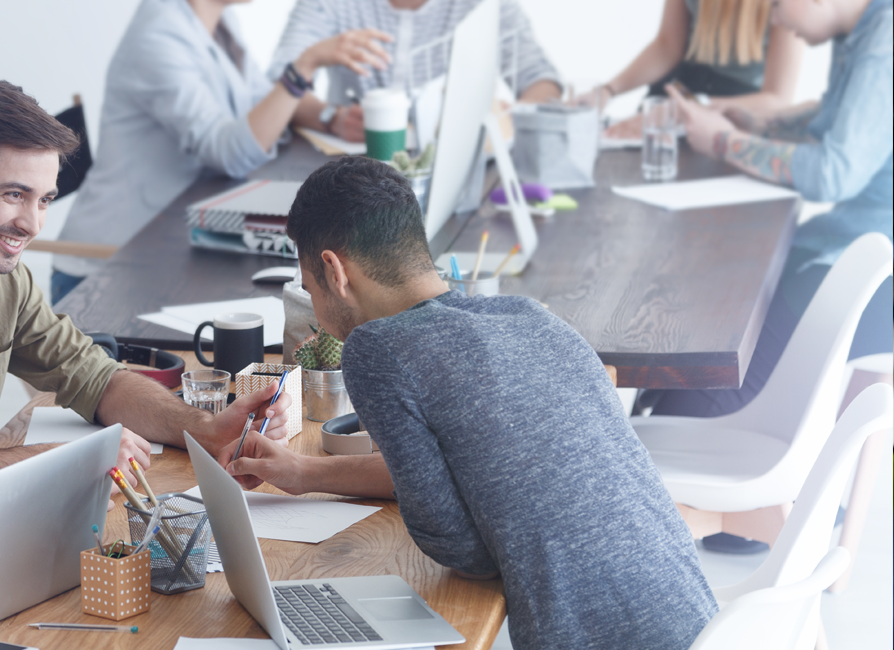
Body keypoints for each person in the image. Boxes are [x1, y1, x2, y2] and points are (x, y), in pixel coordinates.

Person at [220, 156, 717, 649]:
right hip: (700, 625)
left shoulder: (379, 349)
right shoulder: (529, 317)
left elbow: (462, 552)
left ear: (334, 271)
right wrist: (304, 473)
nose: (319, 318)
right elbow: (473, 471)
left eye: (310, 292)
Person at [0, 79, 290, 502]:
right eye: (14, 194)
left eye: (44, 200)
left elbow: (96, 378)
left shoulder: (6, 280)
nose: (33, 224)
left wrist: (205, 428)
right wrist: (63, 462)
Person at [645, 0, 892, 421]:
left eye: (776, 4)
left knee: (685, 402)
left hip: (871, 281)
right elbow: (841, 116)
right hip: (845, 246)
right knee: (698, 340)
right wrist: (756, 124)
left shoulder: (883, 41)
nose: (774, 19)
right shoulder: (867, 30)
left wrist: (725, 142)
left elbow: (834, 173)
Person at [51, 0, 395, 302]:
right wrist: (304, 66)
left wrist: (330, 117)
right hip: (108, 273)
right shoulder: (156, 39)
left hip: (175, 245)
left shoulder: (220, 23)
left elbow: (263, 99)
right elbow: (229, 151)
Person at [268, 0, 563, 113]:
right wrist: (330, 117)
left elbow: (542, 82)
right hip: (353, 173)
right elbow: (277, 87)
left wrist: (505, 117)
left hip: (454, 170)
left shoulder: (486, 6)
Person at [586, 0, 805, 138]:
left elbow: (778, 98)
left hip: (731, 111)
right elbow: (667, 46)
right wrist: (607, 91)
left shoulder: (789, 8)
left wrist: (689, 109)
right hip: (676, 91)